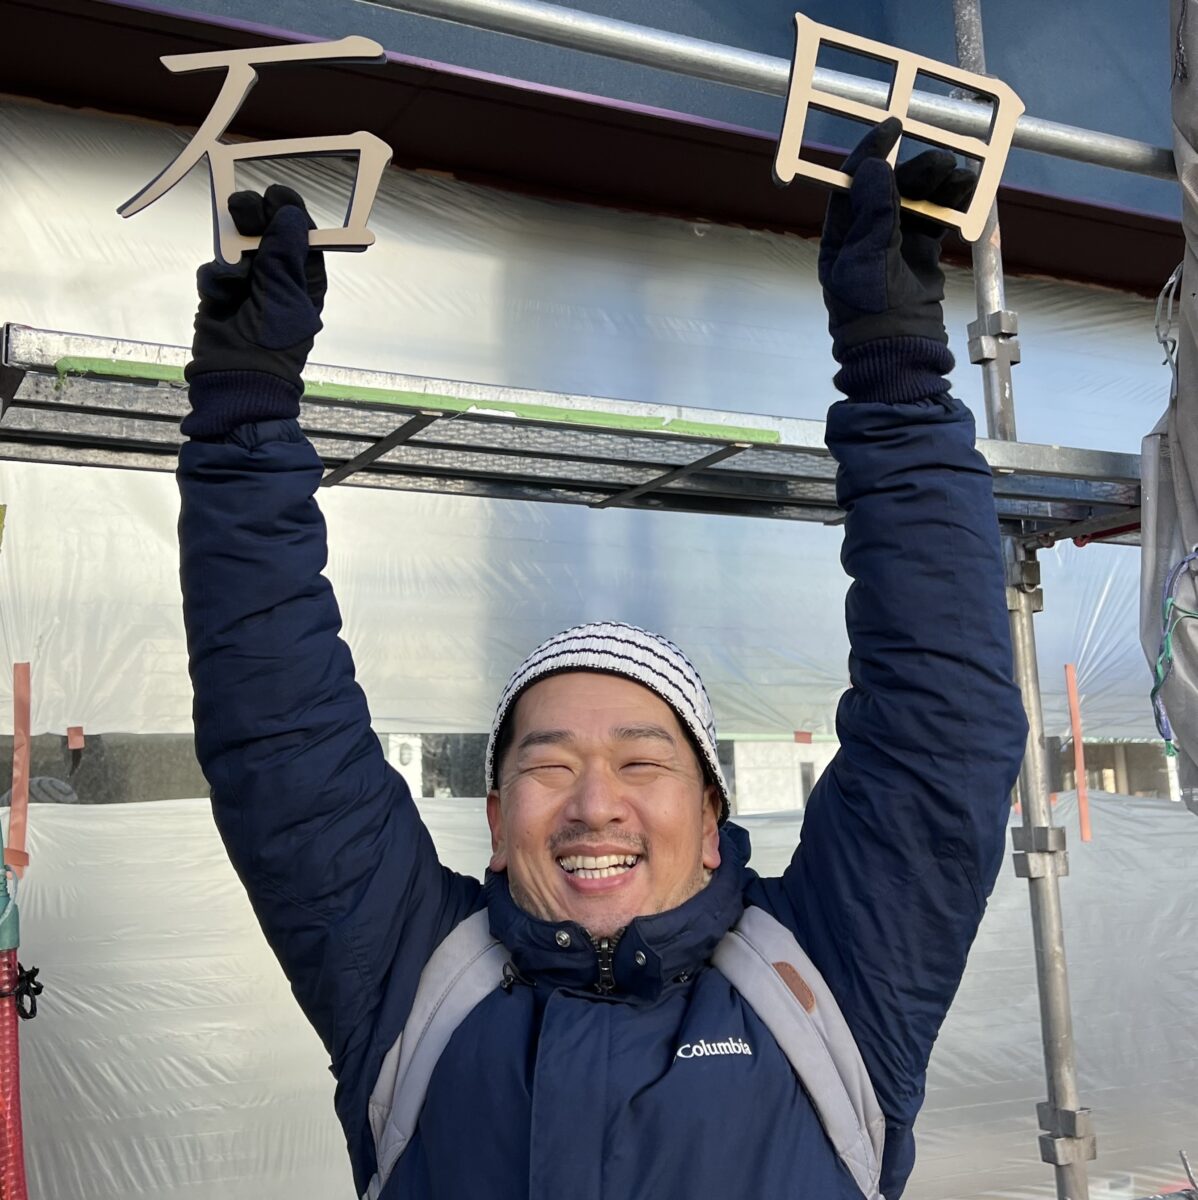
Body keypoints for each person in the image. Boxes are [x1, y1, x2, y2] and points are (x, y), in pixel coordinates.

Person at [177, 118, 1027, 1199]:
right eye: (546, 765)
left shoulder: (825, 981)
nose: (593, 805)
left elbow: (940, 727)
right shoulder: (412, 984)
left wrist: (896, 372)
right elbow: (280, 733)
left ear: (713, 820)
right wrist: (244, 421)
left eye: (640, 760)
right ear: (495, 823)